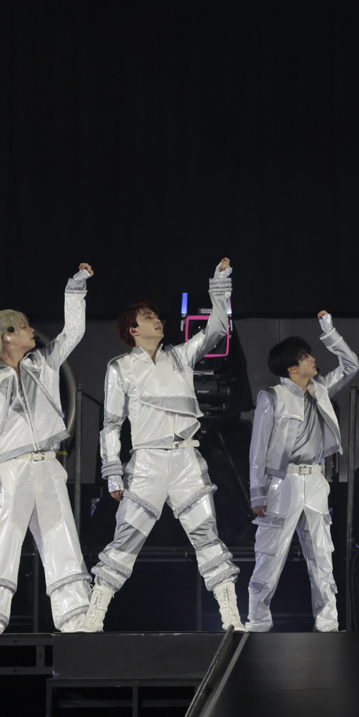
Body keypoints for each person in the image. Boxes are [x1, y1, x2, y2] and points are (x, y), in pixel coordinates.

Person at [79, 261, 242, 632]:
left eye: (156, 316)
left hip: (186, 458)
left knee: (207, 535)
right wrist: (112, 472)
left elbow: (217, 329)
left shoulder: (180, 356)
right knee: (126, 538)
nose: (157, 320)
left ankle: (231, 616)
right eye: (148, 317)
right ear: (133, 329)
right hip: (147, 462)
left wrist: (219, 285)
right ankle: (94, 615)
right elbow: (111, 424)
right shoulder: (121, 368)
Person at [0, 264, 94, 634]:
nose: (32, 331)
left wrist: (75, 287)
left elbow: (74, 331)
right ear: (7, 336)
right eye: (24, 326)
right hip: (11, 469)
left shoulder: (43, 363)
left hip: (47, 466)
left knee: (61, 539)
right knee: (1, 540)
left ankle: (76, 617)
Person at [245, 312, 359, 631]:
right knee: (270, 554)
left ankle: (328, 622)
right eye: (306, 356)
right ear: (292, 367)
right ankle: (258, 619)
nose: (313, 359)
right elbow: (258, 449)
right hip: (282, 482)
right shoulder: (272, 397)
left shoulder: (320, 389)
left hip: (316, 479)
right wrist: (257, 492)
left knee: (322, 554)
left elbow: (351, 364)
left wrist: (329, 330)